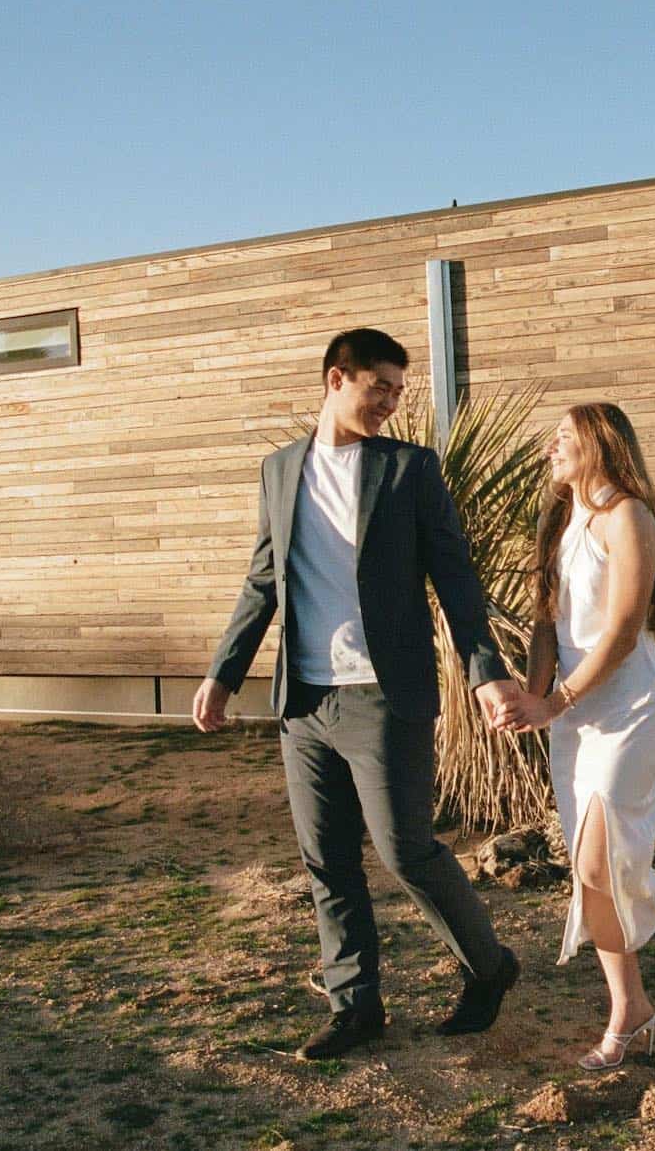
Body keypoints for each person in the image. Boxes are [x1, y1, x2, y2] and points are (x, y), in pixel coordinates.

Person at [192, 327, 520, 1060]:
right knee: (327, 860)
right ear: (338, 377)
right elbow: (262, 579)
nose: (391, 405)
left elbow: (455, 577)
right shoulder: (280, 470)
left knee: (405, 851)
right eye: (381, 388)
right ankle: (356, 1006)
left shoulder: (408, 469)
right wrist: (224, 671)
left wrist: (484, 667)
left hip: (382, 693)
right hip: (304, 699)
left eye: (400, 392)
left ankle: (489, 966)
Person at [493, 403, 655, 1069]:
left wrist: (554, 701)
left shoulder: (628, 516)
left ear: (599, 443)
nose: (551, 449)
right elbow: (545, 625)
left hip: (630, 709)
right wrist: (533, 699)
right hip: (574, 718)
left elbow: (622, 631)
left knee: (599, 865)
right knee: (600, 872)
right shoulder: (562, 522)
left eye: (563, 438)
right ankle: (647, 995)